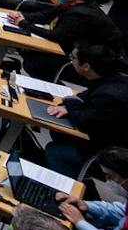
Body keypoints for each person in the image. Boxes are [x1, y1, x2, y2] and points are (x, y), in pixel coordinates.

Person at [45, 44, 128, 174]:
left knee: (55, 150)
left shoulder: (108, 95)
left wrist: (69, 106)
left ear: (86, 66)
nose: (71, 60)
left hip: (106, 152)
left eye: (73, 58)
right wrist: (72, 104)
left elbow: (85, 122)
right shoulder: (112, 78)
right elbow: (83, 98)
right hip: (107, 138)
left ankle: (70, 190)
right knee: (58, 135)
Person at [58, 148, 128, 230]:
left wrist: (80, 222)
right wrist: (87, 205)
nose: (108, 182)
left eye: (110, 177)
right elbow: (122, 212)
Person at [23, 0, 121, 59]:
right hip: (74, 47)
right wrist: (20, 16)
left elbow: (56, 36)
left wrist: (24, 24)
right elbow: (44, 16)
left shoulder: (81, 14)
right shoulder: (68, 3)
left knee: (34, 61)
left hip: (95, 59)